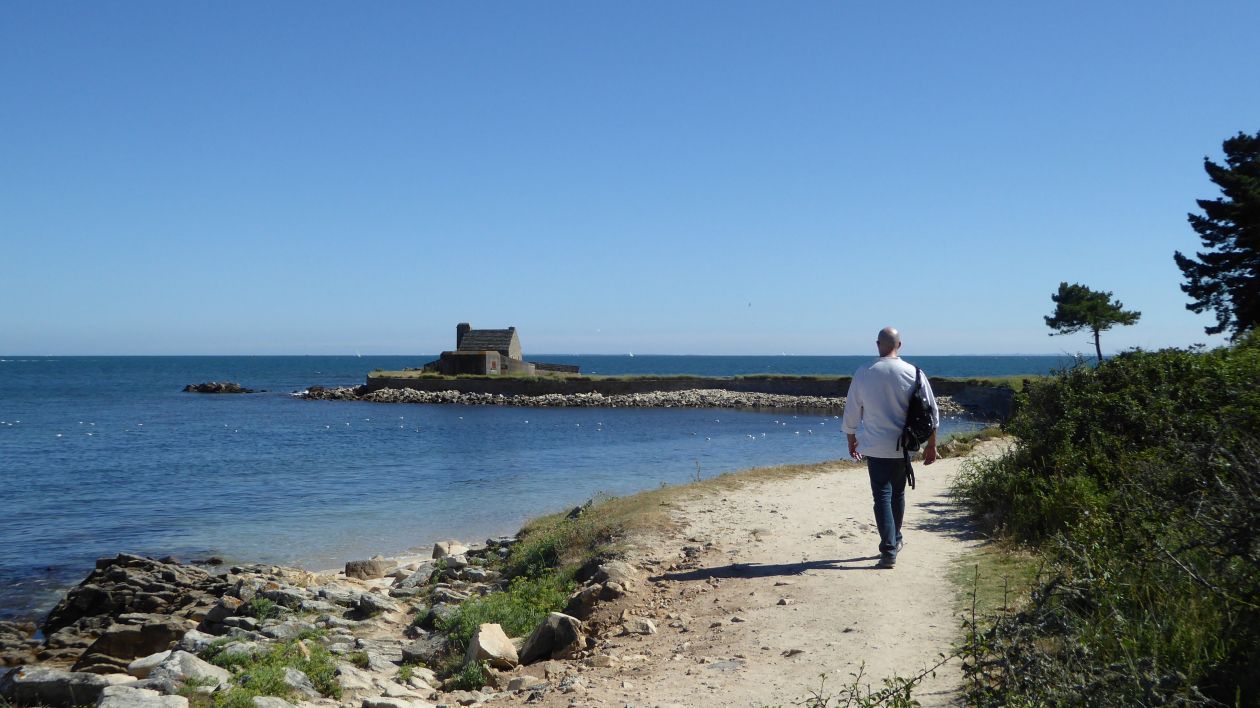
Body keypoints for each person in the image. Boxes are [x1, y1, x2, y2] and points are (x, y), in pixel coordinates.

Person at [842, 326, 939, 569]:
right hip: (906, 445)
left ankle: (889, 549)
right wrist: (932, 445)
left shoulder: (864, 372)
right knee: (898, 493)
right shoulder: (914, 372)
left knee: (882, 496)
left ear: (878, 345)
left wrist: (851, 438)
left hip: (875, 446)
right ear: (900, 345)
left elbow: (852, 410)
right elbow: (931, 412)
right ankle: (895, 540)